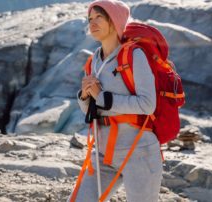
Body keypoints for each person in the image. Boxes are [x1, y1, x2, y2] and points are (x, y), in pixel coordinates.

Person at [69, 0, 163, 201]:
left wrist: (101, 96)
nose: (92, 23)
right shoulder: (94, 59)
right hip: (102, 153)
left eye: (99, 17)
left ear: (115, 20)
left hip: (138, 152)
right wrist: (85, 96)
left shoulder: (134, 55)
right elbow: (93, 109)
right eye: (90, 19)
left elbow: (147, 104)